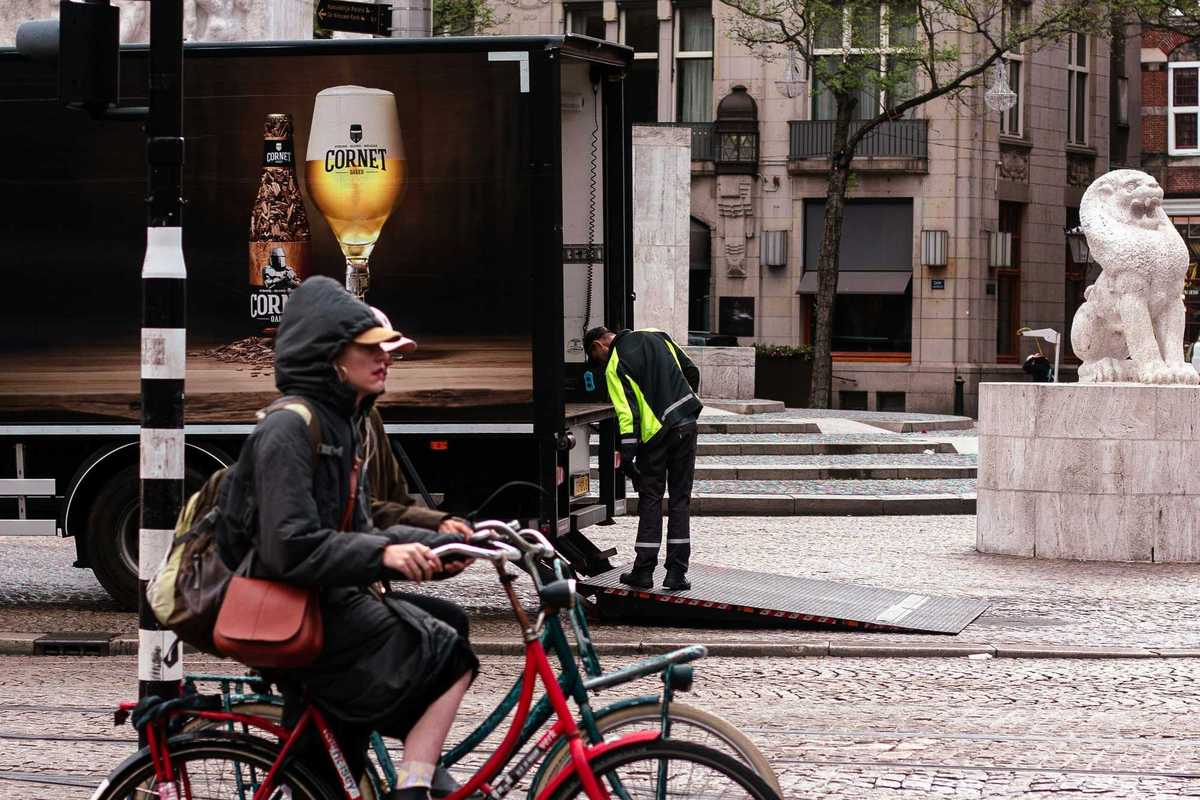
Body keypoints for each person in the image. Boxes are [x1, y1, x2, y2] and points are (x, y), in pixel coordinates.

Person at [217, 276, 477, 800]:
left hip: (324, 596)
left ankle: (411, 773)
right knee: (446, 651)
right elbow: (289, 545)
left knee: (330, 766)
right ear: (330, 356)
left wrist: (430, 544)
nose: (385, 360)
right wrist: (387, 554)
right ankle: (416, 785)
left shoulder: (342, 423)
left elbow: (357, 524)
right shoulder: (290, 428)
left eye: (387, 351)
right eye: (370, 350)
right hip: (292, 604)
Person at [584, 326, 701, 591]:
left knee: (651, 499)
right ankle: (676, 574)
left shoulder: (614, 365)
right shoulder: (657, 335)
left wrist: (627, 458)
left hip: (655, 438)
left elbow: (628, 416)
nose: (599, 364)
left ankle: (644, 571)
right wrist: (687, 409)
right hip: (685, 427)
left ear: (599, 346)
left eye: (595, 359)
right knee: (680, 499)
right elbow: (691, 371)